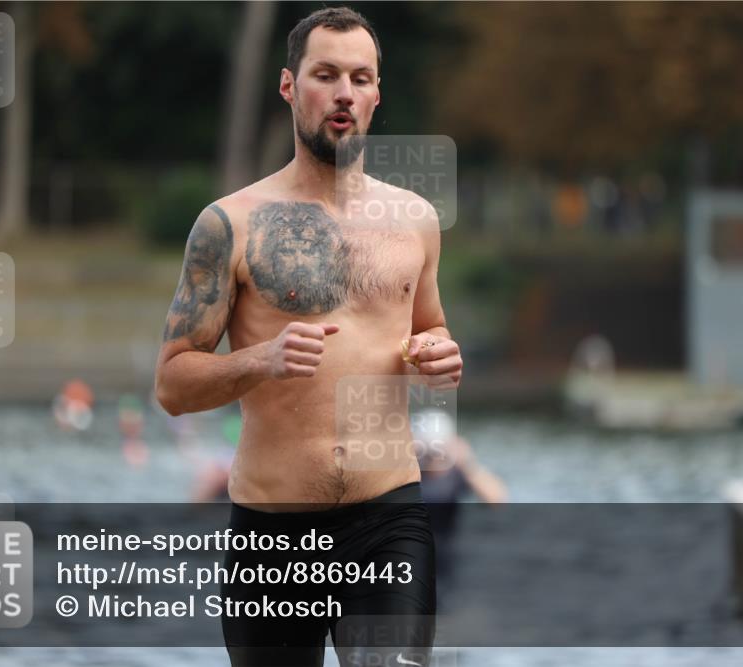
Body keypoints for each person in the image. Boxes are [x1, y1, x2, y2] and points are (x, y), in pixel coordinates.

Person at [154, 7, 462, 666]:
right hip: (272, 528)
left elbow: (430, 327)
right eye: (326, 75)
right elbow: (172, 384)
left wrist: (439, 352)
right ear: (290, 86)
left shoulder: (416, 220)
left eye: (360, 77)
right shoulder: (229, 224)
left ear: (377, 93)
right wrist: (262, 358)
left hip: (388, 519)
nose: (343, 92)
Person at [412, 409, 507, 606]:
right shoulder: (405, 474)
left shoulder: (456, 473)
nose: (432, 457)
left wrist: (468, 463)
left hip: (447, 562)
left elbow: (497, 499)